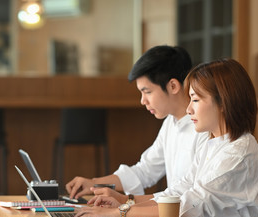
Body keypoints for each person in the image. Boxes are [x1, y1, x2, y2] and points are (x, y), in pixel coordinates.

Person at [74, 58, 258, 217]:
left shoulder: (237, 154)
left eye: (196, 100)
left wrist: (118, 212)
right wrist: (127, 204)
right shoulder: (214, 144)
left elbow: (185, 208)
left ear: (223, 103)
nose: (189, 108)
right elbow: (178, 193)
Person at [66, 45, 202, 204]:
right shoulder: (170, 123)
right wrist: (93, 183)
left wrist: (127, 201)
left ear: (173, 86)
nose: (143, 101)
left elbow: (192, 198)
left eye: (147, 91)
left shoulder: (204, 128)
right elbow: (145, 170)